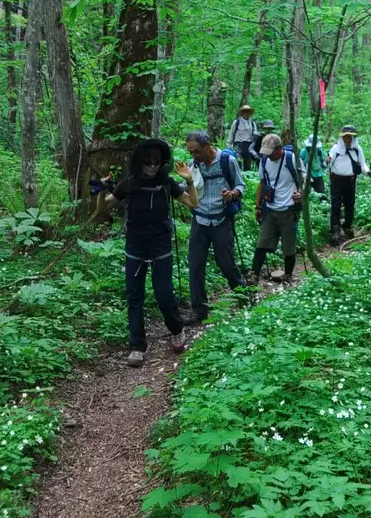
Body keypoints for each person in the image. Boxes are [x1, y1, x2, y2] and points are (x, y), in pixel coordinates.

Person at [96, 139, 199, 367]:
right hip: (135, 246)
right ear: (140, 163)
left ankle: (176, 329)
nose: (152, 167)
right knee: (135, 297)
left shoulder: (167, 183)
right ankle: (137, 346)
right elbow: (103, 208)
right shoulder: (130, 183)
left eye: (156, 162)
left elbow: (193, 203)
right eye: (148, 163)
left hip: (160, 245)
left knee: (164, 294)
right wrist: (101, 190)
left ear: (162, 163)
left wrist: (189, 181)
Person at [186, 130, 247, 321]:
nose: (193, 156)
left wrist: (232, 194)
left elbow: (241, 185)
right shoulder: (192, 165)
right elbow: (186, 189)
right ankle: (199, 310)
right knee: (195, 265)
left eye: (196, 151)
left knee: (226, 263)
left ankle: (243, 295)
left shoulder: (227, 161)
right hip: (200, 220)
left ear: (207, 146)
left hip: (221, 219)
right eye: (190, 152)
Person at [248, 134, 302, 286]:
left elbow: (304, 180)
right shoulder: (264, 160)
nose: (267, 155)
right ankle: (254, 275)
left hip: (288, 210)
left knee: (288, 246)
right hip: (269, 209)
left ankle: (288, 275)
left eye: (270, 152)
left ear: (279, 149)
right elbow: (262, 183)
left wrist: (301, 193)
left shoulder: (291, 159)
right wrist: (257, 206)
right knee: (262, 243)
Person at [326, 124, 371, 245]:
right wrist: (327, 161)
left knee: (349, 205)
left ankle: (347, 226)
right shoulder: (336, 148)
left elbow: (362, 164)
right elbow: (328, 160)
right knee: (336, 205)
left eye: (350, 136)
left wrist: (368, 172)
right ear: (342, 137)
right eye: (346, 136)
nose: (348, 139)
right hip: (336, 180)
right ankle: (335, 231)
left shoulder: (357, 149)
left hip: (350, 181)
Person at [227, 104, 257, 170]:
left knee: (248, 164)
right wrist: (229, 145)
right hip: (238, 145)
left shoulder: (252, 123)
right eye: (245, 111)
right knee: (237, 163)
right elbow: (231, 133)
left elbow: (255, 135)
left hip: (248, 145)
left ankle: (247, 178)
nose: (247, 113)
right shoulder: (236, 122)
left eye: (248, 111)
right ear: (242, 112)